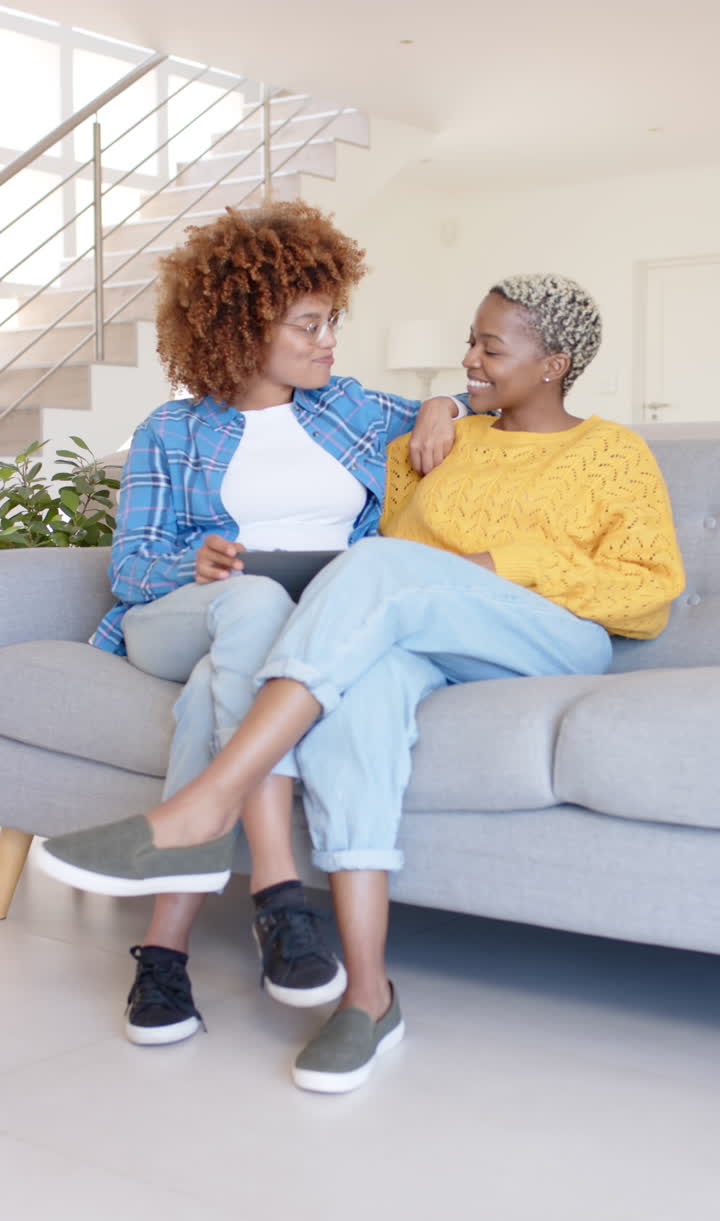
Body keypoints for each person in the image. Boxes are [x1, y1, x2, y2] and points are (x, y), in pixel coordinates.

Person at [37, 273, 686, 1093]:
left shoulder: (610, 450)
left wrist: (502, 566)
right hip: (431, 630)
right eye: (472, 340)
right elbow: (400, 542)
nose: (469, 358)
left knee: (374, 566)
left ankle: (201, 806)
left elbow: (648, 590)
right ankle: (368, 997)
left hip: (544, 633)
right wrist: (444, 412)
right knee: (357, 703)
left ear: (553, 364)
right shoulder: (438, 443)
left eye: (490, 346)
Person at [73, 199, 466, 1046]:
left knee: (222, 687)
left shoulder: (348, 408)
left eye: (333, 321)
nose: (330, 342)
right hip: (185, 615)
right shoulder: (171, 432)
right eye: (309, 325)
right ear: (241, 329)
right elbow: (129, 570)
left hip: (290, 633)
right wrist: (196, 562)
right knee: (251, 601)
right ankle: (278, 895)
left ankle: (163, 952)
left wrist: (443, 405)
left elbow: (483, 410)